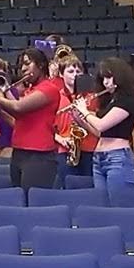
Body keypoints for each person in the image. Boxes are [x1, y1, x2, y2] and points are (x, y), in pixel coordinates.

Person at [70, 56, 134, 194]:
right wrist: (81, 120)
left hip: (118, 158)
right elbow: (100, 133)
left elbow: (101, 125)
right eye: (103, 79)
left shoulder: (128, 101)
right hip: (99, 158)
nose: (106, 83)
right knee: (101, 202)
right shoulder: (109, 102)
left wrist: (85, 112)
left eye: (109, 78)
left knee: (118, 204)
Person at [0, 48, 58, 189]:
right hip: (20, 153)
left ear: (40, 65)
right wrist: (0, 112)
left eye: (27, 63)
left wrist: (0, 97)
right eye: (22, 65)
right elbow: (18, 123)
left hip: (39, 155)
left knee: (34, 200)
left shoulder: (49, 89)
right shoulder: (30, 91)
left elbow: (18, 107)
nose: (23, 69)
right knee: (19, 197)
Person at [53, 53, 98, 187]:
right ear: (61, 74)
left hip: (89, 148)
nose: (75, 74)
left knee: (89, 187)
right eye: (70, 71)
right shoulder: (56, 96)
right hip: (65, 149)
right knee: (68, 187)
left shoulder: (92, 97)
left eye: (78, 71)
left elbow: (98, 120)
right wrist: (60, 139)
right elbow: (47, 125)